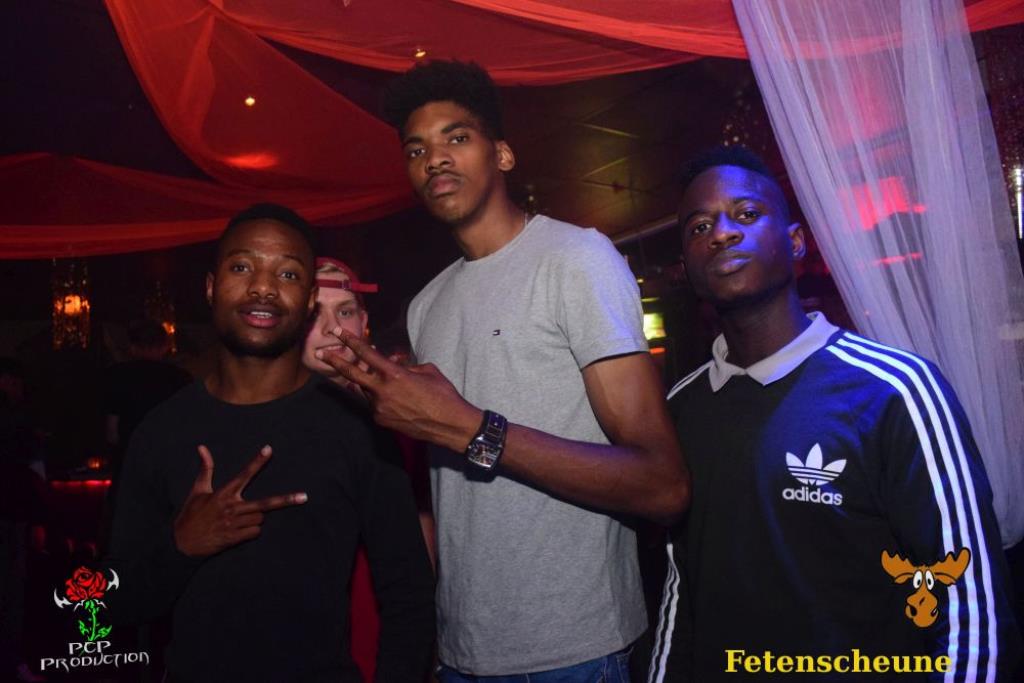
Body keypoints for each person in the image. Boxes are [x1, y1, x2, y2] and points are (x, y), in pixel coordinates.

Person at [319, 60, 689, 679]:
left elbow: (663, 486)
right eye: (416, 149)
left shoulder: (575, 258)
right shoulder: (427, 304)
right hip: (462, 650)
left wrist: (471, 428)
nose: (434, 158)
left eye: (456, 137)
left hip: (574, 648)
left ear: (504, 155)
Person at [647, 146, 1020, 682]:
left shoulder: (895, 390)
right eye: (699, 227)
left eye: (746, 214)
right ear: (686, 269)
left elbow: (968, 606)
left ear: (796, 242)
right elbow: (682, 581)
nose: (722, 234)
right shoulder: (680, 408)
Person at [105, 203, 435, 682]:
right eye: (242, 267)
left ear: (308, 301)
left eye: (288, 273)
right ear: (211, 287)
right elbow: (112, 603)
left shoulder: (356, 429)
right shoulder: (160, 431)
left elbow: (409, 596)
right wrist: (181, 546)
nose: (263, 287)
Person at [301, 256, 436, 680]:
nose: (332, 330)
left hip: (389, 629)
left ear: (363, 322)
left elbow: (423, 529)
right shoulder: (271, 417)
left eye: (344, 312)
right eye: (313, 315)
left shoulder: (404, 409)